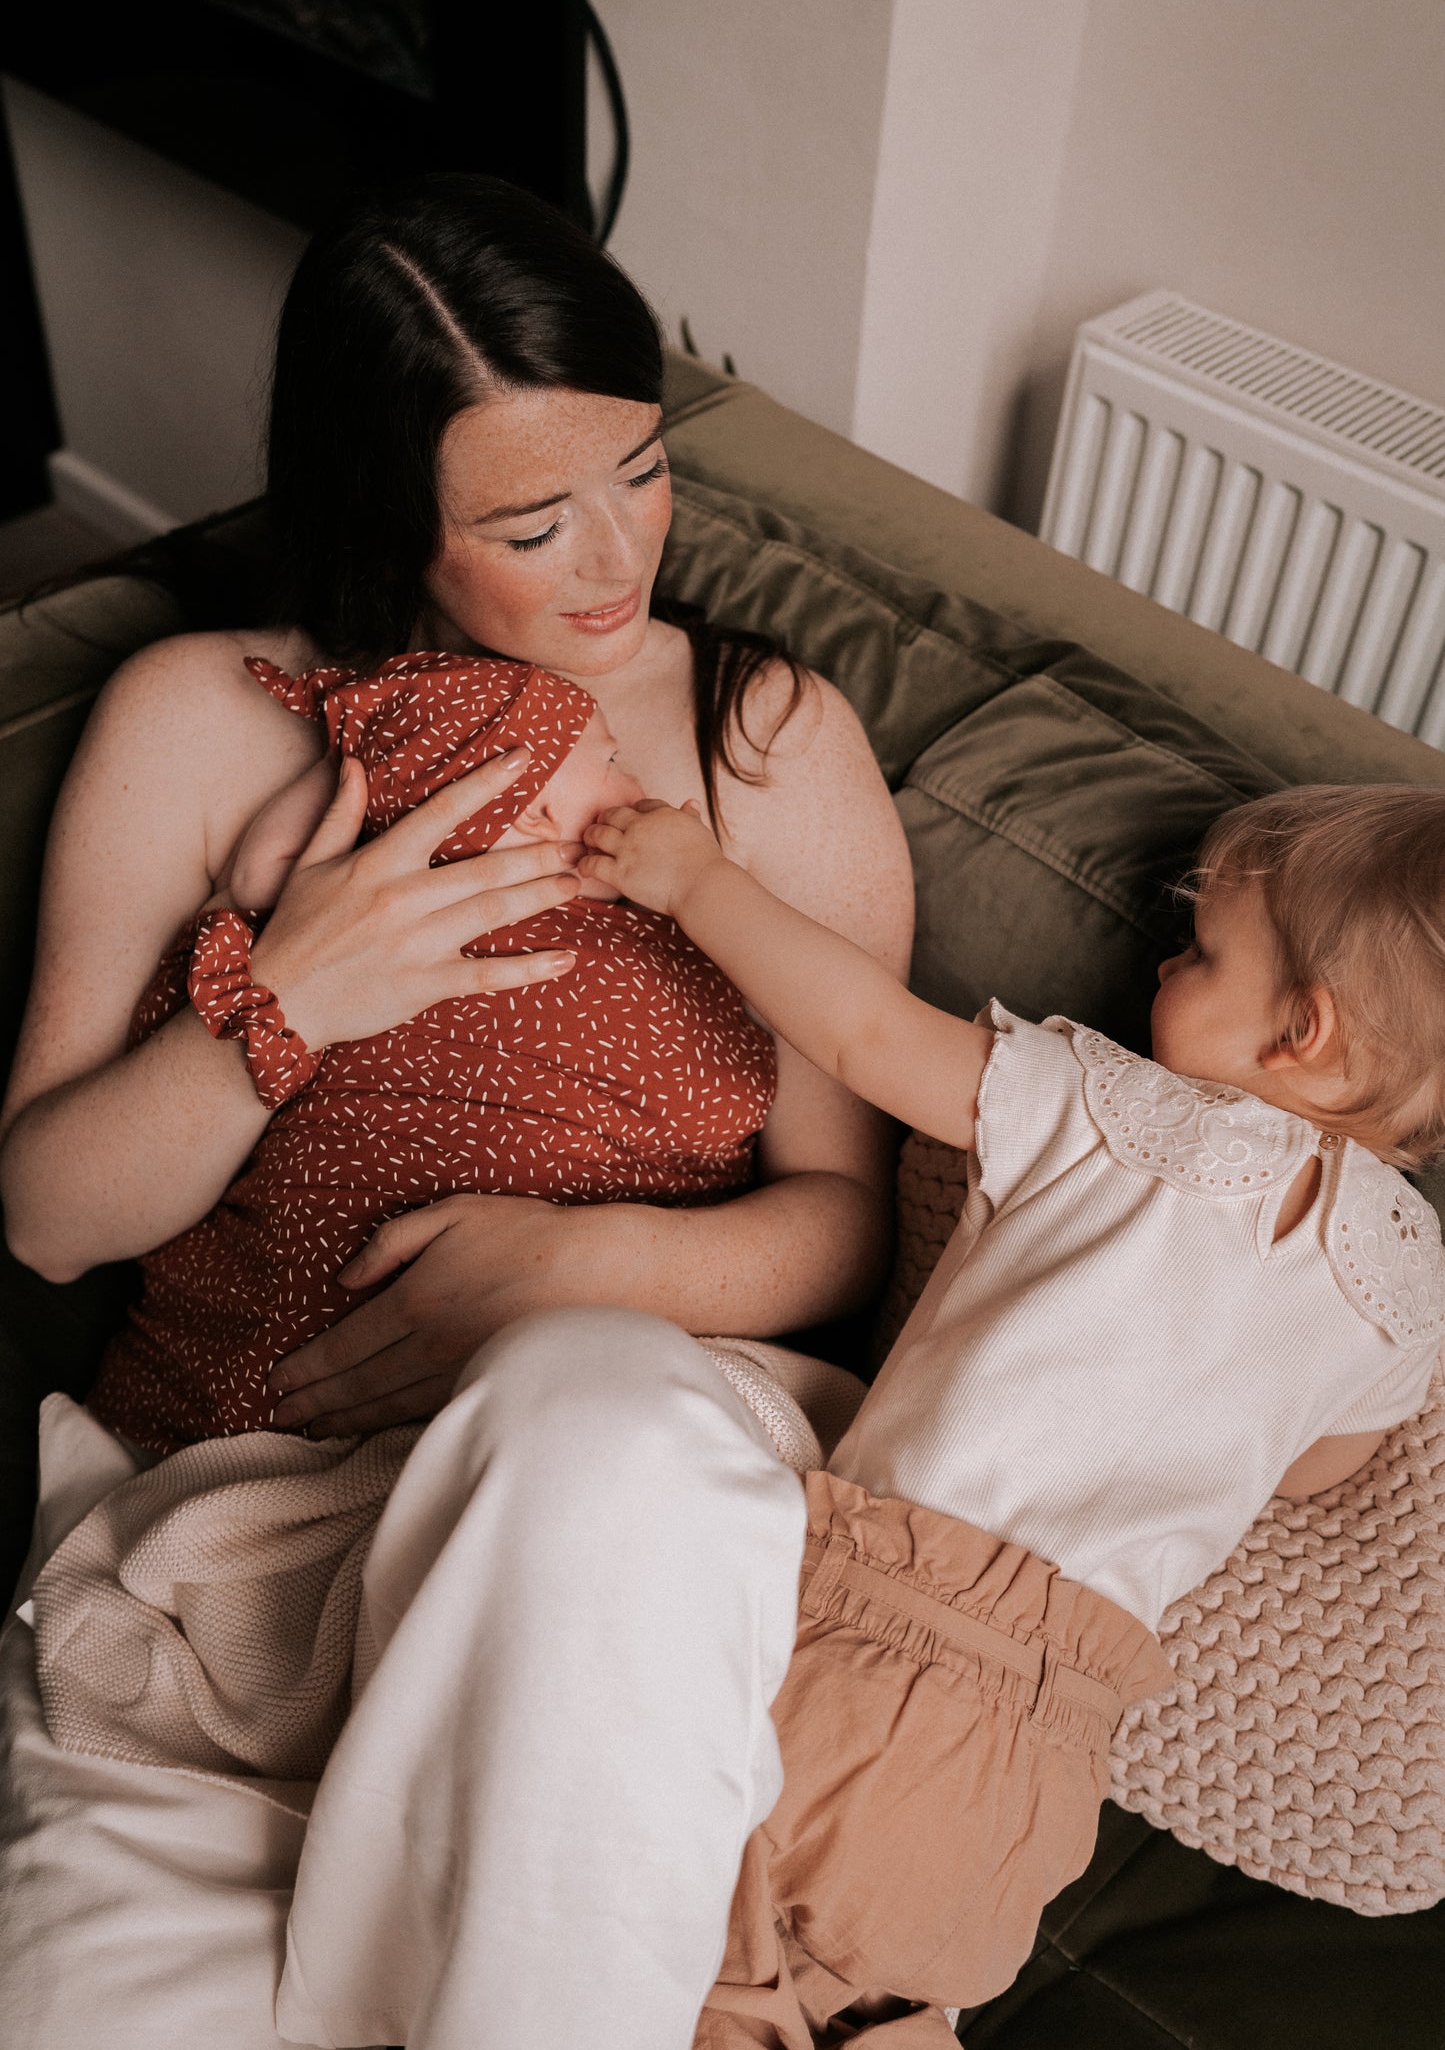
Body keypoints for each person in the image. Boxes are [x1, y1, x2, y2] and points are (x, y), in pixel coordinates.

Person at [0, 175, 915, 2050]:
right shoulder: (201, 721)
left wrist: (581, 1265)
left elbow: (848, 1211)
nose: (617, 557)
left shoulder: (767, 746)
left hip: (612, 1464)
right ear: (380, 512)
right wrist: (287, 1004)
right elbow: (47, 1218)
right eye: (528, 519)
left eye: (644, 472)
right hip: (239, 1531)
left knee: (591, 1417)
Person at [582, 779, 1445, 2043]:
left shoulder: (1111, 1109)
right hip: (1051, 1751)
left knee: (669, 1941)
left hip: (867, 1626)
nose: (1161, 961)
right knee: (877, 1984)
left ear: (1298, 1034)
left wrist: (697, 882)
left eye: (1200, 952)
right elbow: (1320, 1463)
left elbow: (867, 1035)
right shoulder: (1404, 1280)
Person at [89, 648, 842, 1457]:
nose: (641, 789)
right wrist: (279, 967)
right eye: (611, 763)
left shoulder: (752, 774)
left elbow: (839, 1192)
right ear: (530, 816)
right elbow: (57, 1223)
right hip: (290, 1410)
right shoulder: (336, 919)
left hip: (555, 1403)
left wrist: (596, 1261)